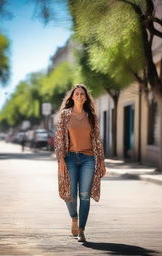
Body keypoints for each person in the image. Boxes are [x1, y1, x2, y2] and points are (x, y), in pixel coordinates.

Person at [54, 84, 106, 242]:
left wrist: (101, 162)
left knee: (84, 195)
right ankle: (74, 218)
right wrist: (61, 159)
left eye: (82, 94)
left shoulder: (91, 116)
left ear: (86, 97)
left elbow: (97, 140)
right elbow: (59, 139)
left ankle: (82, 229)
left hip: (88, 159)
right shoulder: (65, 115)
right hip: (69, 157)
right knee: (69, 193)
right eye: (76, 94)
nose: (79, 96)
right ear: (72, 97)